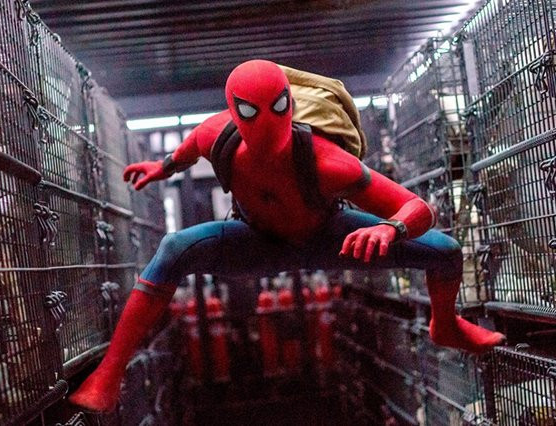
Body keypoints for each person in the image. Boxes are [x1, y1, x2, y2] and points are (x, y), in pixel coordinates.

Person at [69, 60, 504, 412]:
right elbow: (188, 149)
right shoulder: (215, 136)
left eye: (278, 108)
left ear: (290, 104)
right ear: (234, 111)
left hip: (332, 236)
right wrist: (160, 168)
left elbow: (419, 208)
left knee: (446, 251)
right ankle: (110, 372)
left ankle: (445, 324)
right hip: (256, 241)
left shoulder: (328, 163)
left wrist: (391, 228)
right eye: (250, 112)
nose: (267, 124)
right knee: (172, 249)